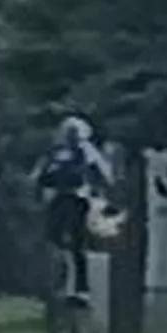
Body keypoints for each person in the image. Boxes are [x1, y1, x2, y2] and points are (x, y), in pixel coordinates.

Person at [34, 114, 113, 303]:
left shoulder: (81, 151)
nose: (72, 135)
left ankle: (79, 288)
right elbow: (41, 175)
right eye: (70, 132)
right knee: (60, 242)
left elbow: (103, 174)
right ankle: (65, 286)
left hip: (75, 199)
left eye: (75, 132)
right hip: (64, 198)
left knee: (74, 244)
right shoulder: (58, 152)